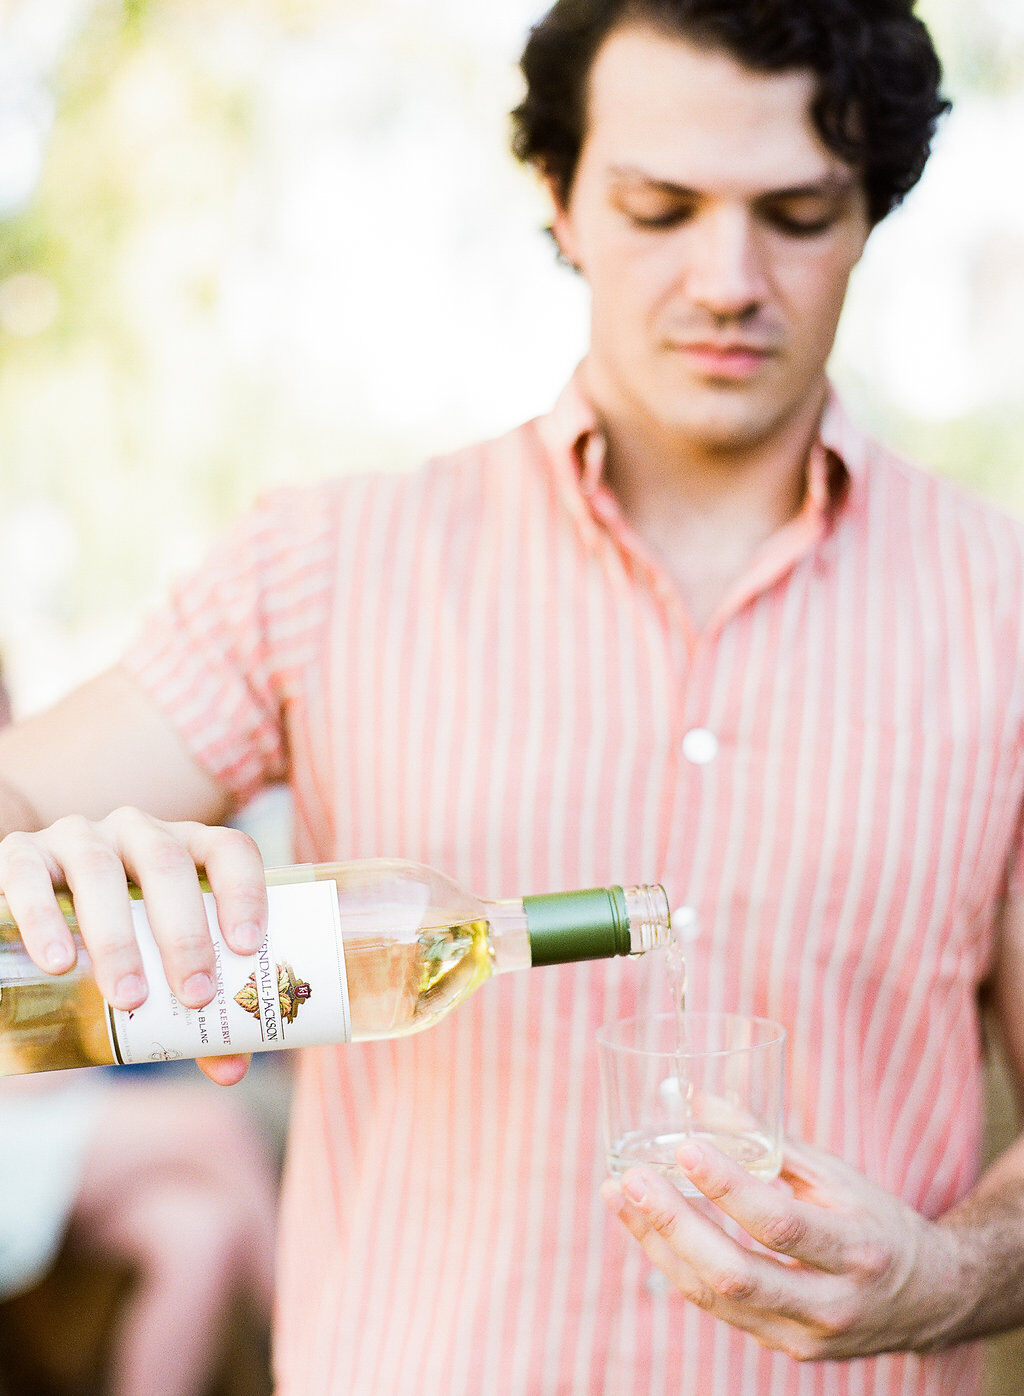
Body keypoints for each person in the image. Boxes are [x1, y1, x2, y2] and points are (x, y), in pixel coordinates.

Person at [0, 1, 1021, 1392]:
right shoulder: (322, 568)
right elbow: (28, 806)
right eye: (661, 206)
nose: (728, 276)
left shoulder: (1002, 611)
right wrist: (55, 858)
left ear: (874, 211)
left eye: (797, 212)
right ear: (559, 196)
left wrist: (945, 1277)